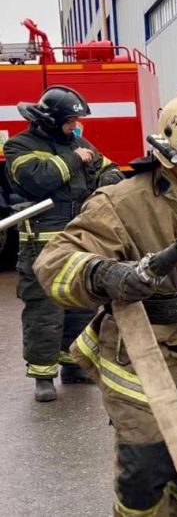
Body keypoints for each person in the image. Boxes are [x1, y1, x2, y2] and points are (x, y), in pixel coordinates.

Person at [34, 87, 177, 516]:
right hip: (138, 350)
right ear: (172, 146)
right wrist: (109, 274)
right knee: (146, 463)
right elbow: (54, 262)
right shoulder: (124, 199)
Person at [3, 85, 123, 401]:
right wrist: (74, 160)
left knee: (81, 302)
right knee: (44, 309)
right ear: (51, 120)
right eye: (70, 122)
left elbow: (111, 171)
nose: (75, 127)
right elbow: (36, 180)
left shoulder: (79, 144)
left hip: (79, 237)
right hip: (41, 242)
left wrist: (104, 185)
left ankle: (74, 366)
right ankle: (43, 376)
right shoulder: (20, 146)